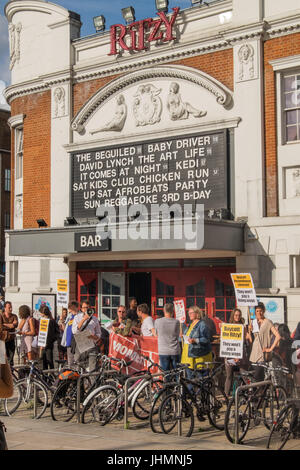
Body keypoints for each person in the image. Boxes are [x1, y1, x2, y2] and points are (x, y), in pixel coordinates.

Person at [249, 302, 281, 382]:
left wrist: (270, 349)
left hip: (262, 354)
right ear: (255, 312)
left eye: (261, 311)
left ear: (263, 311)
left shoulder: (268, 322)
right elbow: (251, 340)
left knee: (256, 377)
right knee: (259, 378)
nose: (259, 313)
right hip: (254, 354)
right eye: (257, 311)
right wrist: (249, 331)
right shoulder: (253, 322)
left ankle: (257, 392)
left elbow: (278, 336)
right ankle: (260, 394)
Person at [224, 308, 252, 398]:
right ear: (233, 315)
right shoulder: (228, 326)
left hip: (240, 355)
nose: (237, 317)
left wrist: (248, 334)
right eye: (236, 315)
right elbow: (225, 341)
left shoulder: (243, 327)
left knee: (244, 375)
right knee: (229, 376)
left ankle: (251, 393)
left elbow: (247, 342)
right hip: (229, 354)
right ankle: (226, 396)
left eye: (239, 315)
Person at [181, 306, 213, 382]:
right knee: (190, 380)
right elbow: (187, 337)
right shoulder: (190, 324)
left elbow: (207, 339)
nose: (189, 314)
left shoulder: (202, 324)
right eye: (188, 313)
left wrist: (195, 340)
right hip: (189, 356)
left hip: (199, 357)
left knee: (201, 379)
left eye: (191, 313)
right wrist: (182, 336)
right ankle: (191, 393)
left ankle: (202, 393)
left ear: (197, 313)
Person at [72, 301, 102, 372]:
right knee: (78, 367)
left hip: (91, 345)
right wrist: (84, 319)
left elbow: (99, 333)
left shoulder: (95, 319)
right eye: (84, 308)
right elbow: (74, 331)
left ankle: (91, 382)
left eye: (87, 308)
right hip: (80, 345)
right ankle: (80, 382)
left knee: (92, 368)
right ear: (81, 309)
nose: (86, 309)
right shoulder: (77, 317)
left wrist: (94, 337)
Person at [152, 303, 180, 374]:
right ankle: (177, 385)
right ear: (173, 311)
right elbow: (177, 335)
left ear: (164, 310)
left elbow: (155, 334)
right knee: (177, 373)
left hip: (163, 351)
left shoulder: (157, 321)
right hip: (174, 350)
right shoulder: (176, 322)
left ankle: (167, 385)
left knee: (166, 373)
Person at [39, 305, 60, 370]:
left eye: (40, 312)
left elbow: (50, 334)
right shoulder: (44, 320)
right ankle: (45, 378)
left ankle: (51, 377)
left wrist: (46, 343)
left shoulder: (50, 321)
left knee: (49, 362)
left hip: (48, 345)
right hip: (45, 344)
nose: (40, 314)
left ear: (43, 313)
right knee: (44, 362)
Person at [61, 301, 80, 367]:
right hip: (69, 341)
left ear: (75, 308)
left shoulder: (79, 316)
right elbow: (65, 329)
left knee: (76, 361)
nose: (69, 310)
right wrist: (62, 321)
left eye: (70, 308)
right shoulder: (70, 317)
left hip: (76, 342)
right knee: (70, 362)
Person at [0, 302, 18, 367]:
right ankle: (3, 375)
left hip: (11, 339)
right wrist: (10, 325)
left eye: (11, 307)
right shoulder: (1, 316)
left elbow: (15, 325)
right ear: (5, 308)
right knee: (2, 359)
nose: (11, 309)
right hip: (2, 339)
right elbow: (0, 327)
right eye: (9, 307)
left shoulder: (14, 316)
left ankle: (11, 374)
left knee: (11, 359)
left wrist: (5, 324)